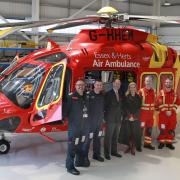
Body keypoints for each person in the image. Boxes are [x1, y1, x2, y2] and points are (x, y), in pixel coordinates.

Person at [63, 79, 89, 175]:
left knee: (81, 144)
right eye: (79, 85)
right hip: (74, 126)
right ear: (75, 86)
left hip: (84, 126)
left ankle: (79, 161)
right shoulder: (71, 97)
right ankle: (69, 166)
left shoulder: (86, 96)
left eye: (82, 85)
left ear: (85, 86)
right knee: (72, 146)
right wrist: (64, 120)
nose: (80, 86)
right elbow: (65, 111)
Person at [83, 80, 105, 162]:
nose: (99, 86)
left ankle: (96, 155)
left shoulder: (102, 96)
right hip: (90, 123)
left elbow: (103, 108)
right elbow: (85, 109)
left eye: (100, 85)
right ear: (94, 85)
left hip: (99, 122)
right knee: (88, 140)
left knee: (98, 139)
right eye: (97, 85)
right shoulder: (88, 95)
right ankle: (84, 157)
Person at [156, 78, 179, 150]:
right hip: (163, 115)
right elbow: (158, 103)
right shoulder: (161, 93)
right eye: (166, 82)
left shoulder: (174, 94)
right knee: (162, 129)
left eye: (169, 82)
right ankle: (162, 143)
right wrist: (166, 111)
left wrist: (171, 111)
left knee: (170, 129)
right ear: (164, 83)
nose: (168, 84)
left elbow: (177, 103)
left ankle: (169, 143)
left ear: (171, 84)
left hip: (172, 116)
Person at [104, 79, 123, 160]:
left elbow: (121, 106)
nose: (118, 85)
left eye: (119, 83)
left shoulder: (121, 93)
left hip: (118, 119)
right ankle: (106, 153)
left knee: (115, 137)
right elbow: (104, 107)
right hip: (110, 119)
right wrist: (104, 118)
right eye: (116, 83)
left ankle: (114, 152)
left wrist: (122, 116)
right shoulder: (108, 94)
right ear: (113, 84)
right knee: (108, 137)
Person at [123, 82, 142, 155]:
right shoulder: (126, 96)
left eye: (134, 87)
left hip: (136, 118)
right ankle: (129, 146)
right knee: (128, 133)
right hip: (128, 118)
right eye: (131, 87)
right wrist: (129, 116)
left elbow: (139, 108)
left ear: (136, 88)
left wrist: (134, 116)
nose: (132, 88)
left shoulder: (139, 97)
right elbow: (125, 107)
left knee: (134, 133)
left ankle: (133, 147)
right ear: (129, 88)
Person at [138, 76, 156, 150]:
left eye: (150, 81)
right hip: (143, 115)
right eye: (147, 81)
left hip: (150, 116)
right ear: (144, 82)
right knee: (140, 130)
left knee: (149, 130)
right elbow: (137, 104)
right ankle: (137, 144)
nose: (148, 82)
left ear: (152, 82)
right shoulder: (141, 91)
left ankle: (147, 144)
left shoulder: (154, 91)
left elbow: (156, 102)